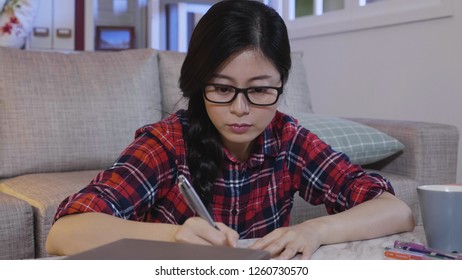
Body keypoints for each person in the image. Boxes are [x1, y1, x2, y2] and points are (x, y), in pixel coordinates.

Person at [46, 0, 414, 259]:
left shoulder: (286, 139)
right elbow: (64, 233)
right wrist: (174, 235)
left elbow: (395, 210)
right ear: (199, 84)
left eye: (259, 90)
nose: (241, 110)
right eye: (222, 89)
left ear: (281, 84)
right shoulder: (167, 143)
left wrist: (315, 231)